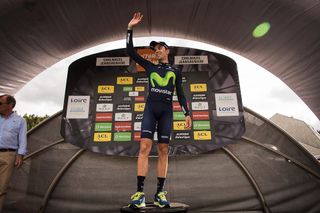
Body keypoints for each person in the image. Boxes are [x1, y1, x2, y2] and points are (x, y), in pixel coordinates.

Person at [126, 12, 192, 208]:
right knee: (144, 148)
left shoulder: (176, 72)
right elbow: (130, 51)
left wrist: (187, 113)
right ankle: (139, 193)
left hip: (166, 112)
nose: (156, 50)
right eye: (154, 48)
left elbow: (180, 94)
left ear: (167, 50)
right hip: (150, 110)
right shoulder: (149, 66)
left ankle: (159, 194)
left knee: (163, 150)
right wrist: (130, 29)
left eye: (159, 48)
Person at [0, 94, 27, 211]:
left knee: (1, 189)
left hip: (8, 156)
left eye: (0, 103)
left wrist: (20, 155)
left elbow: (22, 139)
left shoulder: (20, 121)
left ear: (10, 105)